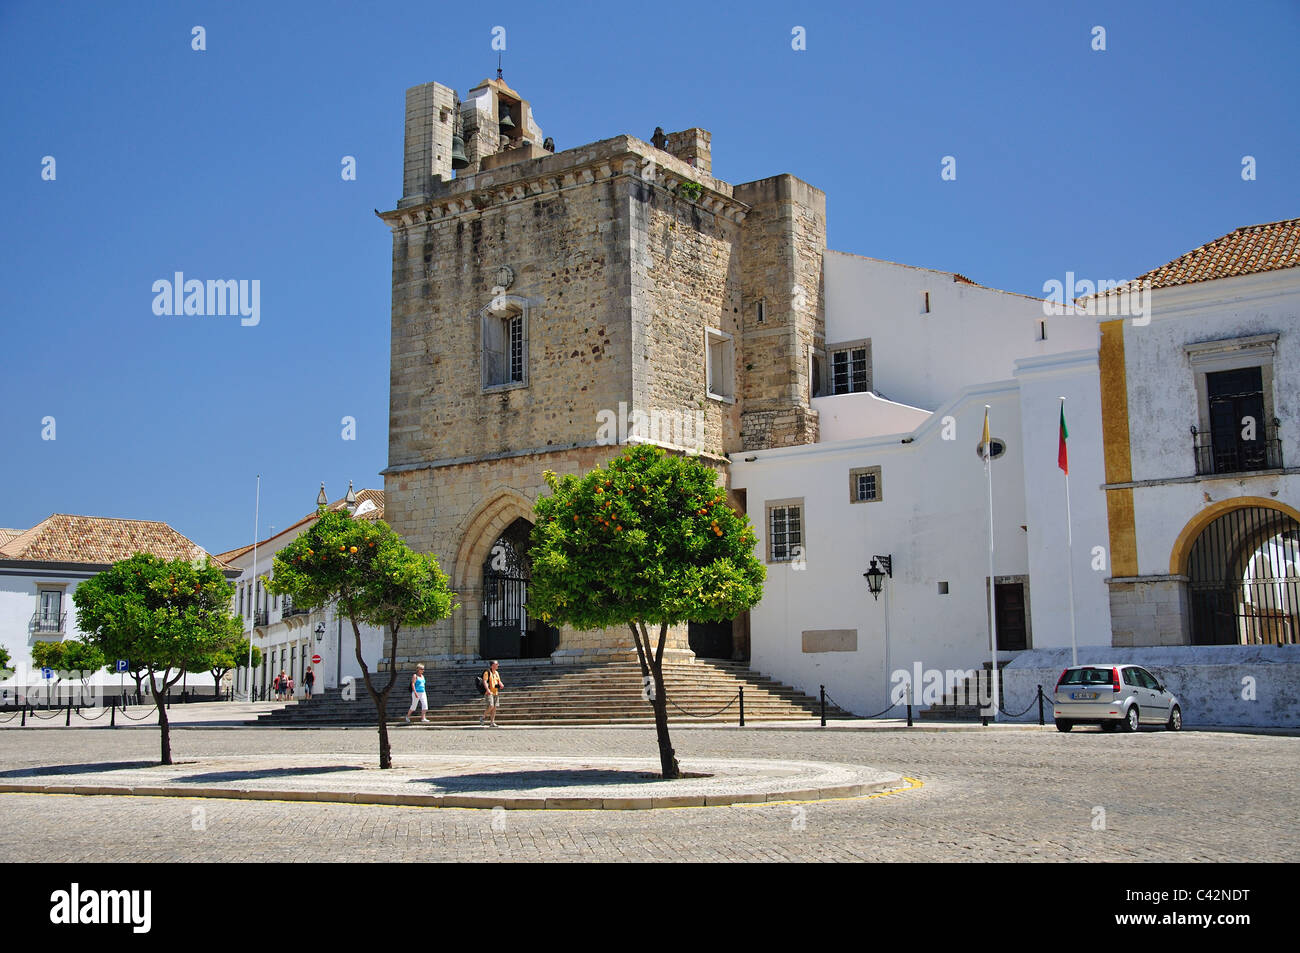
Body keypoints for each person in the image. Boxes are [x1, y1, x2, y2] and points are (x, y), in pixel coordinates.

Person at [480, 660, 503, 727]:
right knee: (491, 706)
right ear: (492, 665)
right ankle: (483, 717)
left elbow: (499, 681)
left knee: (494, 707)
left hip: (496, 692)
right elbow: (484, 681)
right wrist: (487, 690)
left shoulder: (496, 673)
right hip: (489, 692)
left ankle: (492, 722)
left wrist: (501, 684)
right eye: (496, 664)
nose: (498, 665)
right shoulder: (487, 672)